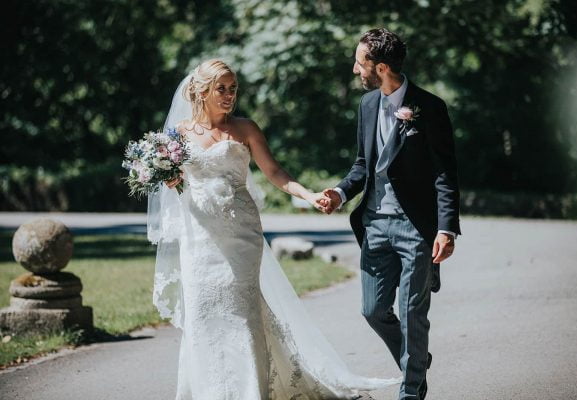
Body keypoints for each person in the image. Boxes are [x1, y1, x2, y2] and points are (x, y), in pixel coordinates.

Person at [147, 59, 399, 399]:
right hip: (200, 239)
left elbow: (276, 173)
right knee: (204, 316)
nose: (229, 95)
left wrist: (309, 195)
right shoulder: (178, 134)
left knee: (242, 313)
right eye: (221, 88)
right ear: (201, 91)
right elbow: (168, 184)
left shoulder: (245, 129)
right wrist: (169, 178)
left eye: (233, 88)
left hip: (241, 235)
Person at [321, 28, 461, 400]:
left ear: (380, 67)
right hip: (374, 225)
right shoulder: (367, 106)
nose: (355, 69)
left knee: (413, 311)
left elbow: (445, 174)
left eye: (359, 62)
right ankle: (415, 357)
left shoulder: (429, 107)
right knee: (372, 309)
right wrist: (338, 192)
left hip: (415, 227)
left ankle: (411, 390)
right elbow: (362, 165)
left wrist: (446, 229)